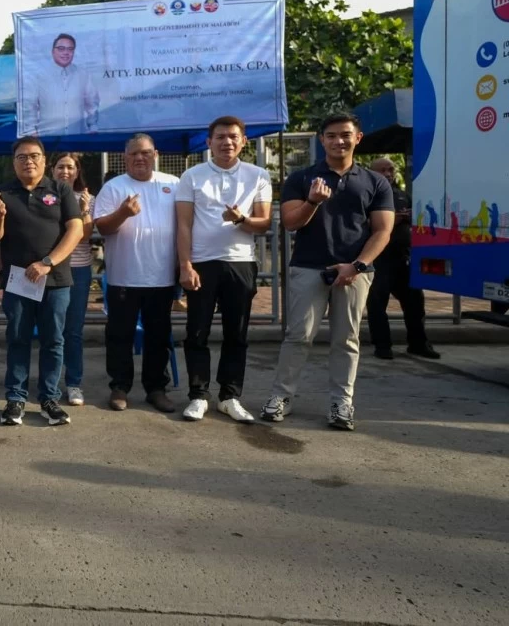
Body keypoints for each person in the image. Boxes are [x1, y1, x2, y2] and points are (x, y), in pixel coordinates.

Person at [261, 113, 394, 431]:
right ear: (321, 140)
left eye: (346, 135)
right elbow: (291, 222)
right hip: (308, 267)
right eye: (331, 135)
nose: (339, 141)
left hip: (355, 271)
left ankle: (341, 403)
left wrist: (357, 266)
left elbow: (382, 232)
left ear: (357, 138)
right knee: (298, 336)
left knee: (347, 339)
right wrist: (313, 201)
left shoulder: (375, 182)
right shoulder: (302, 178)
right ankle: (281, 397)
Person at [175, 117, 273, 422]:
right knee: (197, 332)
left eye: (233, 137)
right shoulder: (192, 176)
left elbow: (264, 223)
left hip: (241, 262)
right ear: (209, 142)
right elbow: (183, 224)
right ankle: (198, 396)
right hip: (202, 264)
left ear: (244, 141)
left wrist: (241, 220)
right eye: (220, 137)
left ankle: (230, 396)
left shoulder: (259, 175)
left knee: (237, 333)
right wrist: (185, 265)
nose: (226, 142)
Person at [0, 137, 83, 426]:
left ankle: (49, 398)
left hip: (56, 279)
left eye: (34, 156)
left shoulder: (61, 190)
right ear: (13, 161)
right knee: (17, 339)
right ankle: (15, 399)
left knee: (54, 340)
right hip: (17, 281)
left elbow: (75, 230)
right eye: (22, 157)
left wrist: (47, 263)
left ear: (44, 161)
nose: (29, 161)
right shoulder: (2, 193)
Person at [93, 134, 180, 413]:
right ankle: (119, 387)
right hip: (124, 277)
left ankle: (156, 389)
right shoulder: (113, 187)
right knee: (120, 336)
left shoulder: (173, 184)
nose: (139, 158)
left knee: (158, 336)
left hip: (162, 276)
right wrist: (123, 213)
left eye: (145, 153)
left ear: (155, 154)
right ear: (125, 157)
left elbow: (187, 225)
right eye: (133, 154)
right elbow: (103, 228)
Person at [366, 157, 438, 360]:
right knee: (377, 304)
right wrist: (391, 221)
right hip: (378, 259)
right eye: (383, 170)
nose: (388, 173)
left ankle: (418, 344)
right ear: (373, 173)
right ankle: (382, 346)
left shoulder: (401, 195)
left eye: (391, 169)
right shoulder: (368, 195)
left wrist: (410, 216)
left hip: (403, 258)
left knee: (415, 302)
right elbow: (360, 224)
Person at [50, 152, 94, 407]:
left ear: (77, 171)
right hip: (52, 270)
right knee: (52, 329)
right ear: (52, 169)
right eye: (60, 167)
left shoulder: (87, 198)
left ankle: (73, 383)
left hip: (78, 270)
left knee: (73, 331)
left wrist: (85, 210)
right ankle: (51, 381)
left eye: (70, 167)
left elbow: (86, 236)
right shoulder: (45, 196)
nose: (65, 172)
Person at [23, 34, 99, 136]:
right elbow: (30, 106)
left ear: (73, 52)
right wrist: (31, 130)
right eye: (61, 48)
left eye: (70, 49)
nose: (66, 53)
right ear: (53, 51)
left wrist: (92, 125)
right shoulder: (39, 76)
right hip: (47, 138)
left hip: (77, 137)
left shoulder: (83, 74)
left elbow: (92, 103)